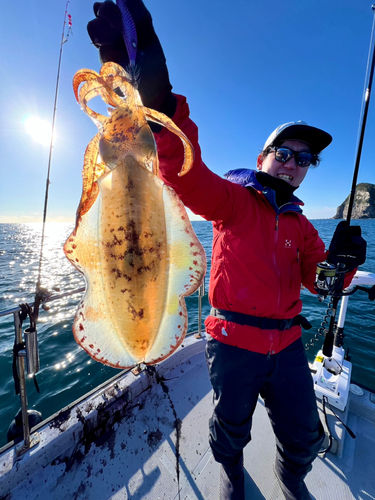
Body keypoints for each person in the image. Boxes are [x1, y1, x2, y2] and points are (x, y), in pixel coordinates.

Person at [87, 2, 367, 499]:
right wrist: (161, 101)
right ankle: (231, 473)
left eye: (305, 159)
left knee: (303, 433)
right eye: (284, 153)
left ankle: (291, 475)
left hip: (286, 348)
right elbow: (184, 171)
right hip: (233, 343)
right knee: (230, 426)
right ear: (263, 159)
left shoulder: (303, 227)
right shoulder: (233, 202)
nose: (293, 164)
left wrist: (342, 267)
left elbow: (319, 282)